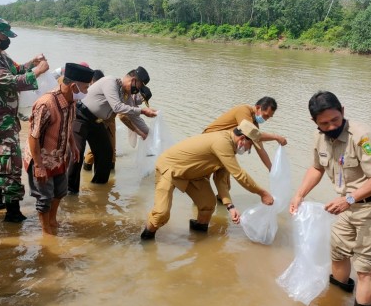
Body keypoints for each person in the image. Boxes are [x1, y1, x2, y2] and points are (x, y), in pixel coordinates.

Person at [289, 91, 371, 306]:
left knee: (364, 267)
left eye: (335, 120)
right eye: (324, 123)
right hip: (348, 206)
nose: (331, 127)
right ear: (315, 122)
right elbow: (316, 168)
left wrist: (349, 199)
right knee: (338, 253)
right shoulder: (319, 137)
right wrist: (299, 194)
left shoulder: (363, 137)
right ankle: (336, 305)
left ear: (342, 111)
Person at [141, 120, 274, 240]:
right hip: (170, 168)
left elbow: (220, 180)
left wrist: (230, 207)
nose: (248, 150)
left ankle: (199, 236)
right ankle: (146, 238)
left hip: (194, 174)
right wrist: (262, 193)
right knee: (162, 214)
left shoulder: (230, 149)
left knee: (208, 203)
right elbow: (239, 174)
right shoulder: (223, 142)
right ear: (243, 139)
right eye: (250, 146)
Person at [0, 16, 49, 222]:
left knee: (2, 159)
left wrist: (31, 63)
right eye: (4, 35)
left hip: (4, 117)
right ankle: (13, 212)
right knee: (10, 162)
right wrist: (38, 72)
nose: (8, 39)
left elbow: (15, 70)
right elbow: (11, 82)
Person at [24, 63, 95, 235]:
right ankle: (45, 231)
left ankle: (52, 220)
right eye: (85, 87)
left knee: (60, 192)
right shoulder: (46, 104)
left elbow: (68, 125)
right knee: (44, 198)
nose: (86, 92)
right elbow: (33, 137)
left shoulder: (71, 101)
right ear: (73, 86)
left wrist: (73, 145)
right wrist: (39, 166)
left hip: (59, 156)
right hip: (42, 158)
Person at [67, 66, 157, 187]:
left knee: (106, 154)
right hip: (81, 117)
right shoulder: (111, 82)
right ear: (133, 80)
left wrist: (151, 134)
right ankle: (70, 192)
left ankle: (98, 188)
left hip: (97, 122)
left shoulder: (126, 94)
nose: (136, 91)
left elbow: (134, 117)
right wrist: (143, 111)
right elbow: (117, 107)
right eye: (138, 87)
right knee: (77, 153)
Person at [203, 97, 287, 202]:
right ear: (257, 107)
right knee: (203, 180)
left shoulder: (254, 124)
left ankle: (224, 211)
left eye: (269, 117)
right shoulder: (243, 110)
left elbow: (260, 148)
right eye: (265, 115)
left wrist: (271, 169)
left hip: (225, 149)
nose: (265, 119)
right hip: (209, 144)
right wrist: (276, 137)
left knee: (224, 186)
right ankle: (201, 208)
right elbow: (250, 132)